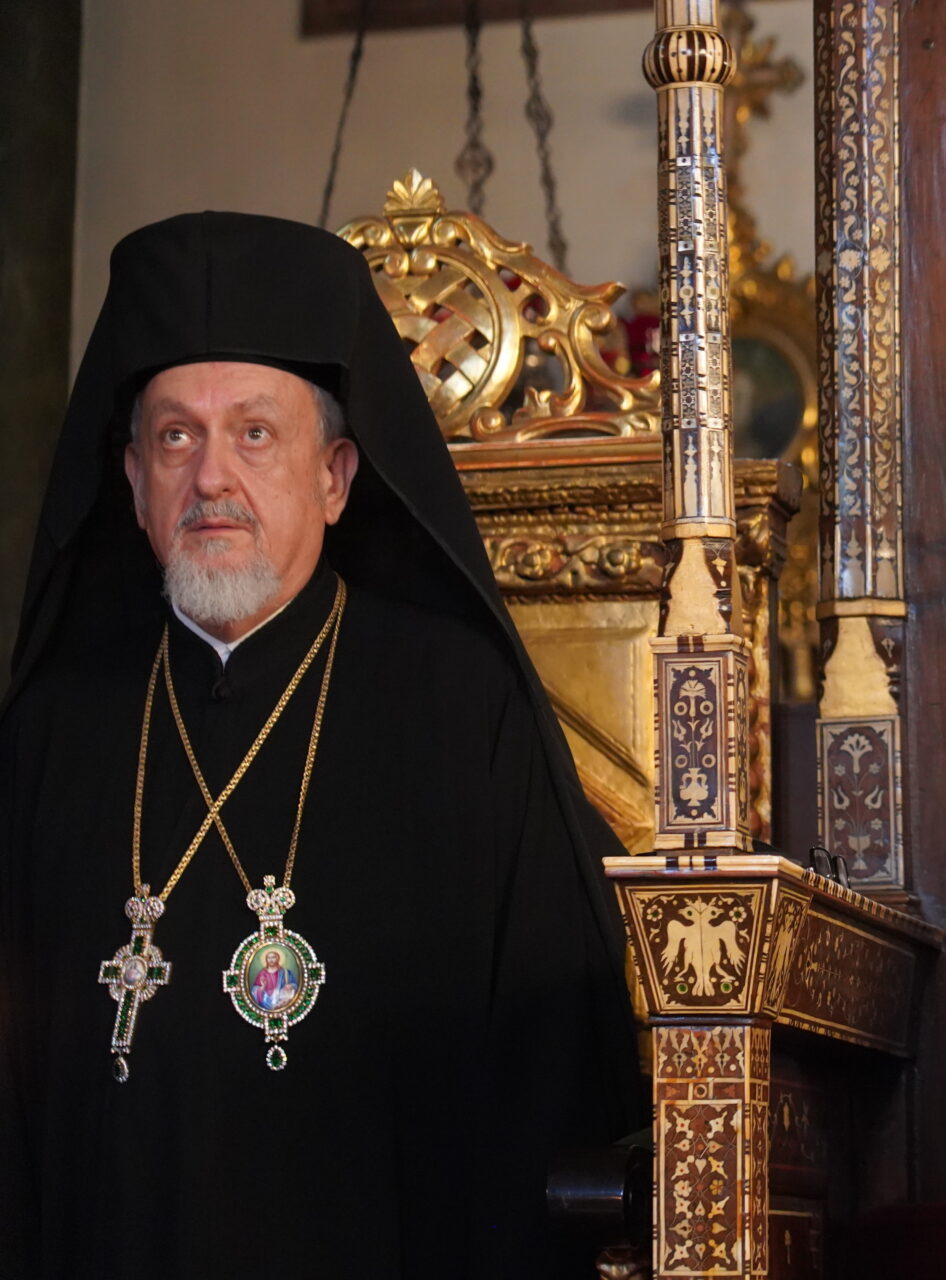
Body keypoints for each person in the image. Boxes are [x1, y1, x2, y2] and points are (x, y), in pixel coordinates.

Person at [0, 212, 640, 1277]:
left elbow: (549, 1084)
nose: (211, 477)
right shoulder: (50, 732)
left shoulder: (463, 709)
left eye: (255, 433)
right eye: (176, 437)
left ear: (336, 476)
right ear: (132, 479)